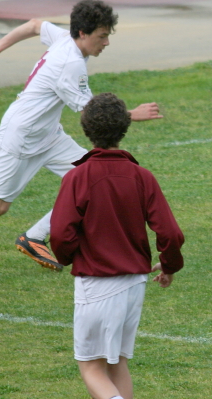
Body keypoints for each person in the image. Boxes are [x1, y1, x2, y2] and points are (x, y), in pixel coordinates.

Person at [0, 0, 162, 272]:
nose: (106, 42)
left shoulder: (65, 38)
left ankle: (34, 237)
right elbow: (94, 114)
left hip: (49, 134)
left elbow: (35, 25)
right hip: (22, 136)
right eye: (102, 36)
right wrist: (133, 114)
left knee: (95, 181)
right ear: (83, 33)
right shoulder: (70, 64)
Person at [50, 92, 184, 399]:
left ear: (86, 128)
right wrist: (169, 265)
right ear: (125, 127)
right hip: (134, 285)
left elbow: (59, 234)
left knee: (91, 367)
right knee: (117, 363)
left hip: (97, 284)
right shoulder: (142, 176)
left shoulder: (77, 177)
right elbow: (170, 233)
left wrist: (69, 257)